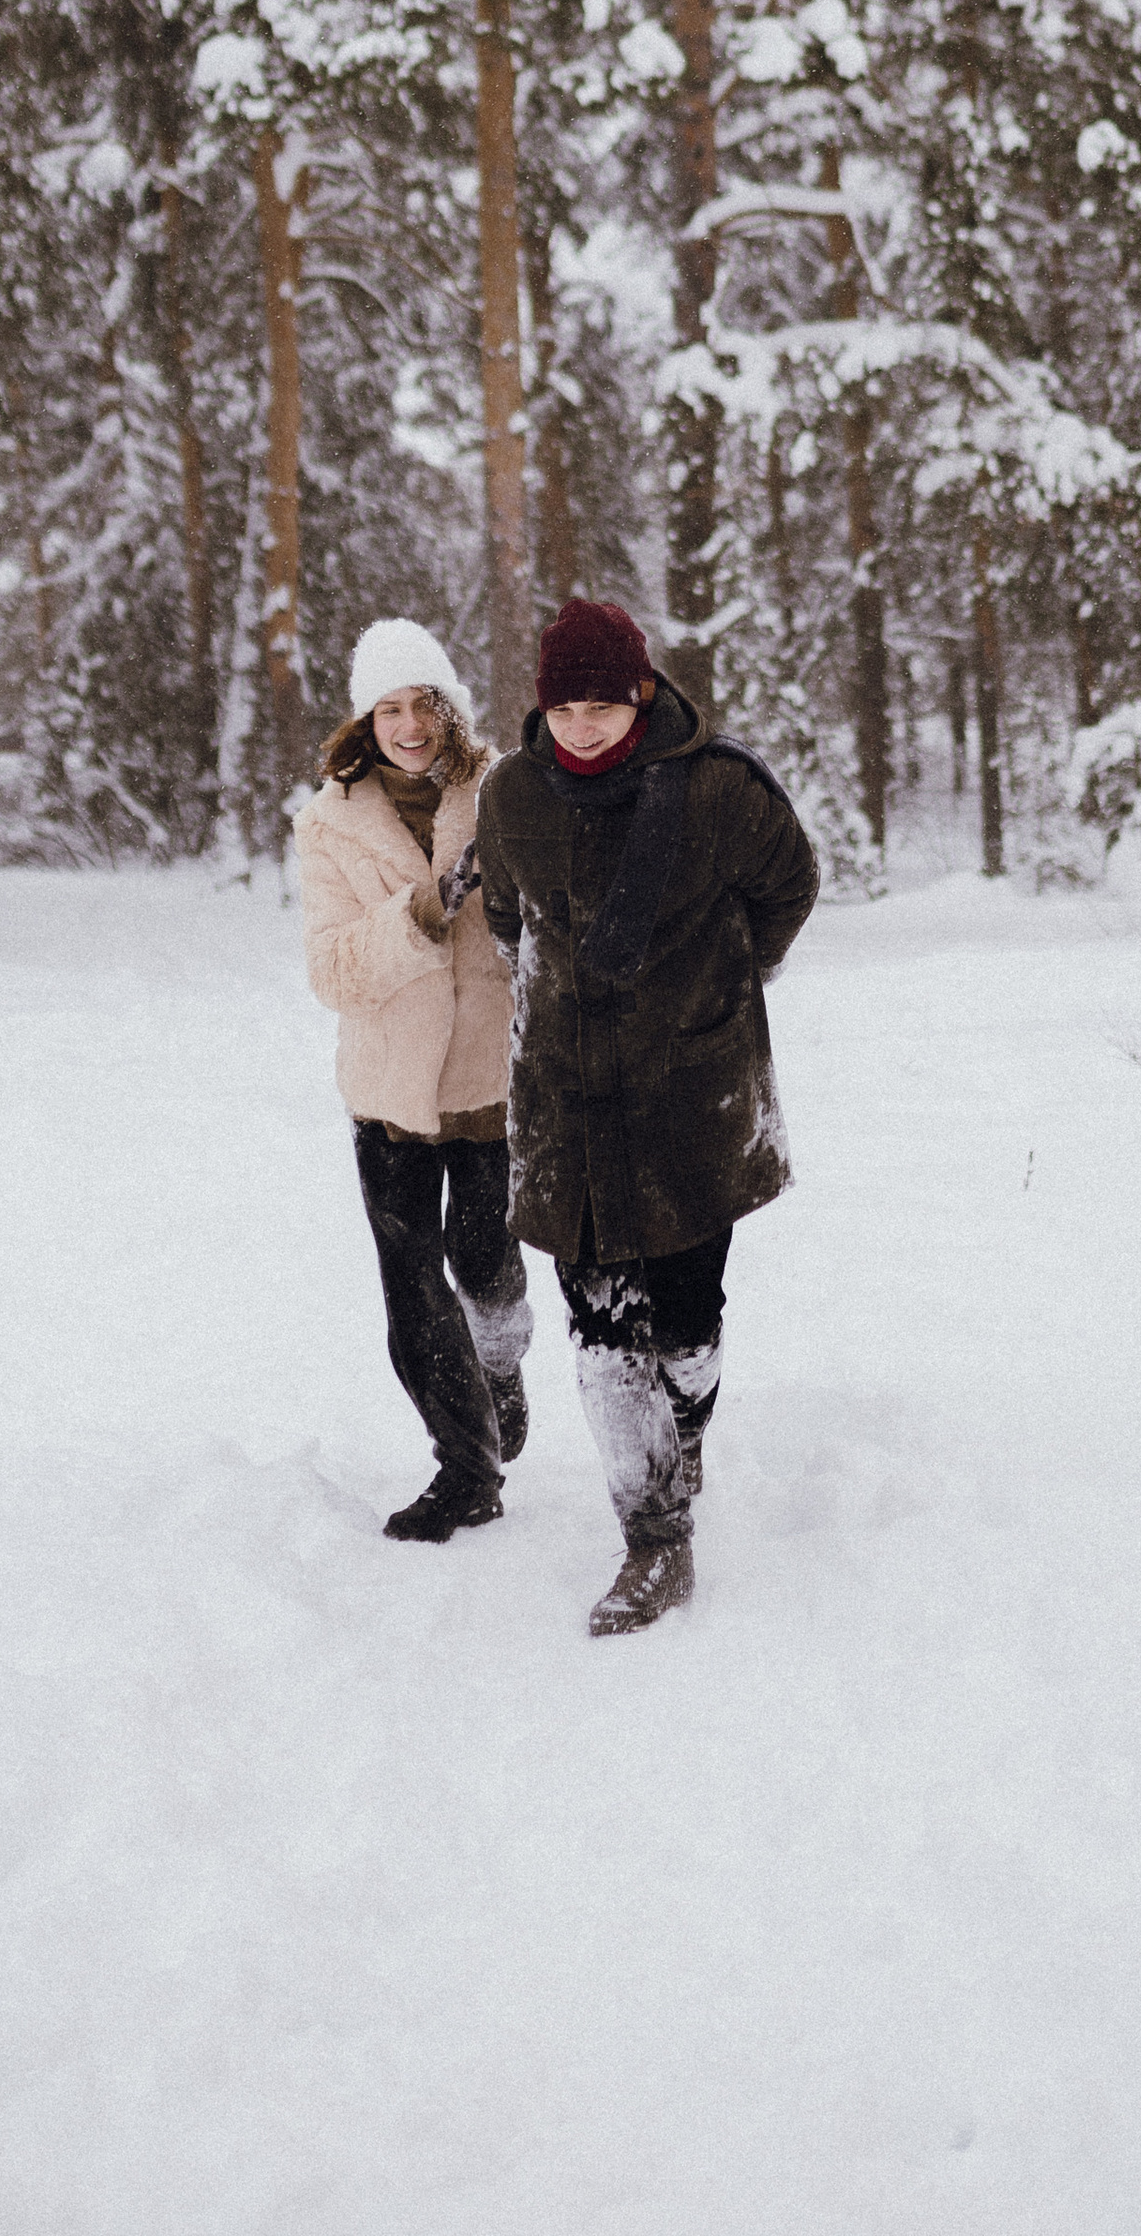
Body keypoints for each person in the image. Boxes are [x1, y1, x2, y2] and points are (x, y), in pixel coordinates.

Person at [477, 597, 819, 1637]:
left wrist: (715, 992)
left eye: (603, 702)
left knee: (684, 1324)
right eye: (565, 705)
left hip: (686, 1102)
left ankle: (690, 1426)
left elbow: (788, 888)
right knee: (599, 1339)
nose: (583, 724)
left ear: (639, 693)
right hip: (567, 1110)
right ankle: (655, 1542)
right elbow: (505, 916)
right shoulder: (512, 794)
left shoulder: (717, 789)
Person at [298, 617, 531, 1543]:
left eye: (422, 704)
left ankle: (503, 1365)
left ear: (450, 708)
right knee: (414, 1293)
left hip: (486, 1085)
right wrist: (424, 910)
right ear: (365, 721)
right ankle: (467, 1470)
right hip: (390, 1094)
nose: (408, 725)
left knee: (484, 1263)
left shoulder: (503, 791)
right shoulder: (329, 823)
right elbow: (331, 969)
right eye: (387, 709)